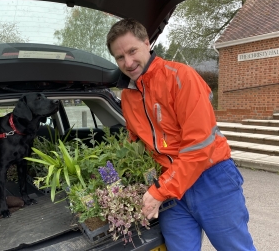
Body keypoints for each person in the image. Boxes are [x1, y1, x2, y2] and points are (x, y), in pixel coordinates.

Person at [106, 18, 256, 251]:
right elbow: (136, 141)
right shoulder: (128, 96)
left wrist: (159, 190)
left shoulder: (180, 76)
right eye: (119, 57)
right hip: (171, 191)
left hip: (211, 178)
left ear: (147, 43)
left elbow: (199, 145)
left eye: (132, 51)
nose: (128, 62)